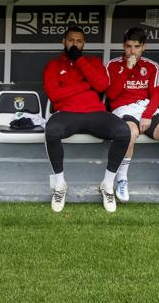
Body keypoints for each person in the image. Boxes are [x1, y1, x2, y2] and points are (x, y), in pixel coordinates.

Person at [43, 26, 131, 213]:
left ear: (84, 44)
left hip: (95, 112)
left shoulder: (92, 62)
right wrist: (85, 85)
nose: (75, 44)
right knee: (51, 131)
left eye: (79, 41)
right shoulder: (54, 65)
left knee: (124, 131)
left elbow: (102, 84)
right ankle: (60, 186)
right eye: (71, 40)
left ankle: (107, 185)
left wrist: (80, 61)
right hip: (67, 113)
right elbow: (54, 94)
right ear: (63, 42)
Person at [106, 27, 159, 202]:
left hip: (145, 108)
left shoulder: (152, 66)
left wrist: (148, 114)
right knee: (129, 133)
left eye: (136, 46)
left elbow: (156, 94)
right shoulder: (113, 65)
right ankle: (121, 180)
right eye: (128, 46)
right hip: (123, 109)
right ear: (123, 46)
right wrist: (127, 69)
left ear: (144, 47)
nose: (132, 51)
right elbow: (111, 95)